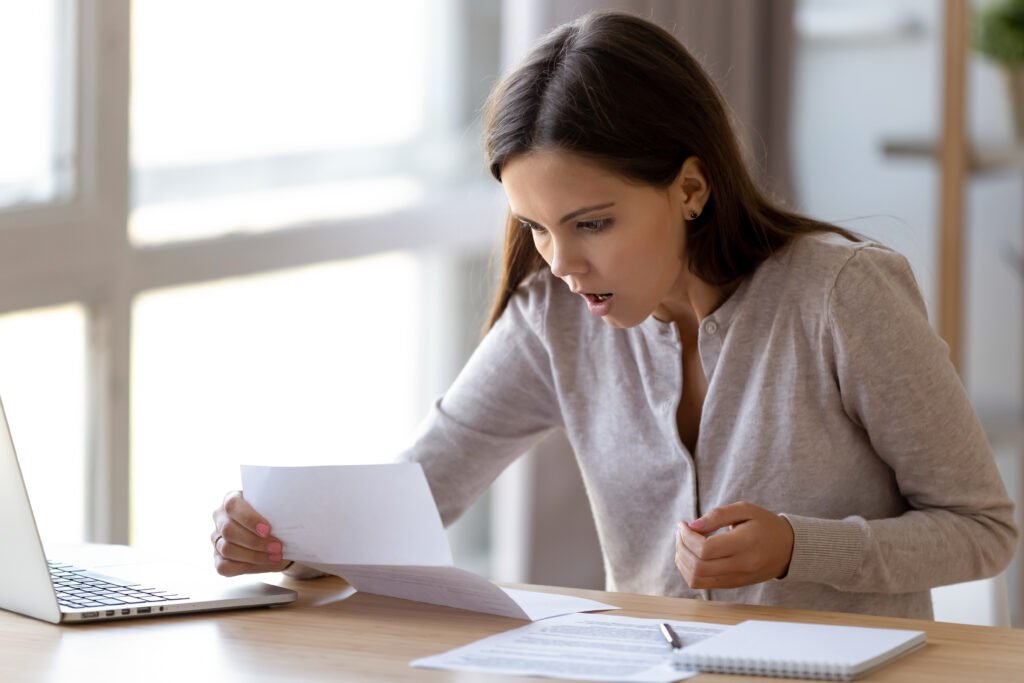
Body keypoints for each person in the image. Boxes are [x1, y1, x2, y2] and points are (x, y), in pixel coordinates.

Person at [210, 11, 1017, 618]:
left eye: (592, 222)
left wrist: (800, 546)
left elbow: (982, 528)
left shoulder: (844, 296)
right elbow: (418, 492)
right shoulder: (549, 320)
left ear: (692, 189)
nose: (561, 263)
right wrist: (290, 542)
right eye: (536, 227)